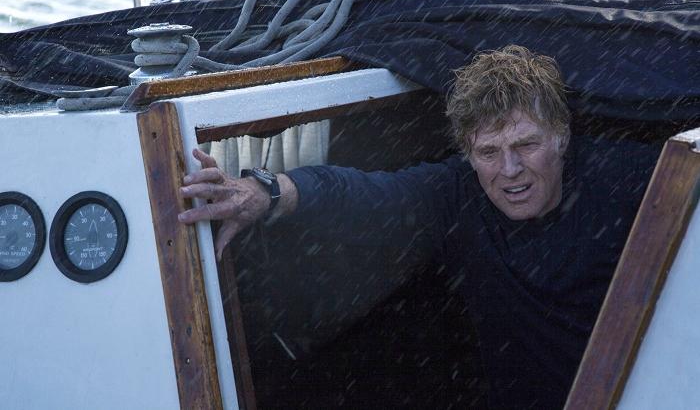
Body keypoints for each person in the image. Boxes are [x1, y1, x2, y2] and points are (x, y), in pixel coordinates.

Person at [178, 45, 659, 409]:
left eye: (526, 145)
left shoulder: (635, 179)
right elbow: (361, 196)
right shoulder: (457, 194)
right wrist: (265, 192)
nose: (510, 169)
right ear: (468, 153)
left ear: (561, 137)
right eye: (489, 152)